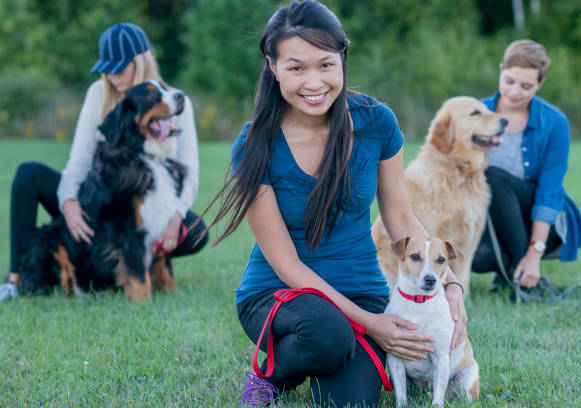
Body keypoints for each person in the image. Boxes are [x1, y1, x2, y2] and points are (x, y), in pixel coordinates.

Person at [201, 1, 467, 406]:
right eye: (296, 67)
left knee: (351, 401)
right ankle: (270, 373)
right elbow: (287, 265)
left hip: (362, 290)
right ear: (272, 68)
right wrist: (371, 325)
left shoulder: (376, 123)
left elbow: (400, 217)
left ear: (342, 59)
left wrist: (451, 288)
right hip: (279, 294)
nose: (314, 82)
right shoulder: (254, 143)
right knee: (328, 331)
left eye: (325, 64)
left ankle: (328, 356)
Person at [0, 22, 207, 301]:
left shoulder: (176, 102)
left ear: (140, 61)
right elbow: (78, 163)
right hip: (96, 203)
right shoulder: (99, 94)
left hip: (147, 204)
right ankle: (15, 279)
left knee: (196, 232)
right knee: (29, 174)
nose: (112, 76)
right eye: (106, 69)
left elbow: (190, 174)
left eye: (119, 68)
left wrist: (176, 217)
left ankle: (133, 264)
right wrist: (69, 203)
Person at [471, 39, 581, 299]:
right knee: (477, 257)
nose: (514, 92)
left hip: (537, 222)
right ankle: (516, 275)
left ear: (540, 84)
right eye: (509, 81)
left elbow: (550, 191)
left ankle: (526, 274)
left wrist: (534, 253)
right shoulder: (473, 113)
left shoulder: (554, 122)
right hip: (486, 218)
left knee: (492, 177)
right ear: (501, 69)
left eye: (526, 86)